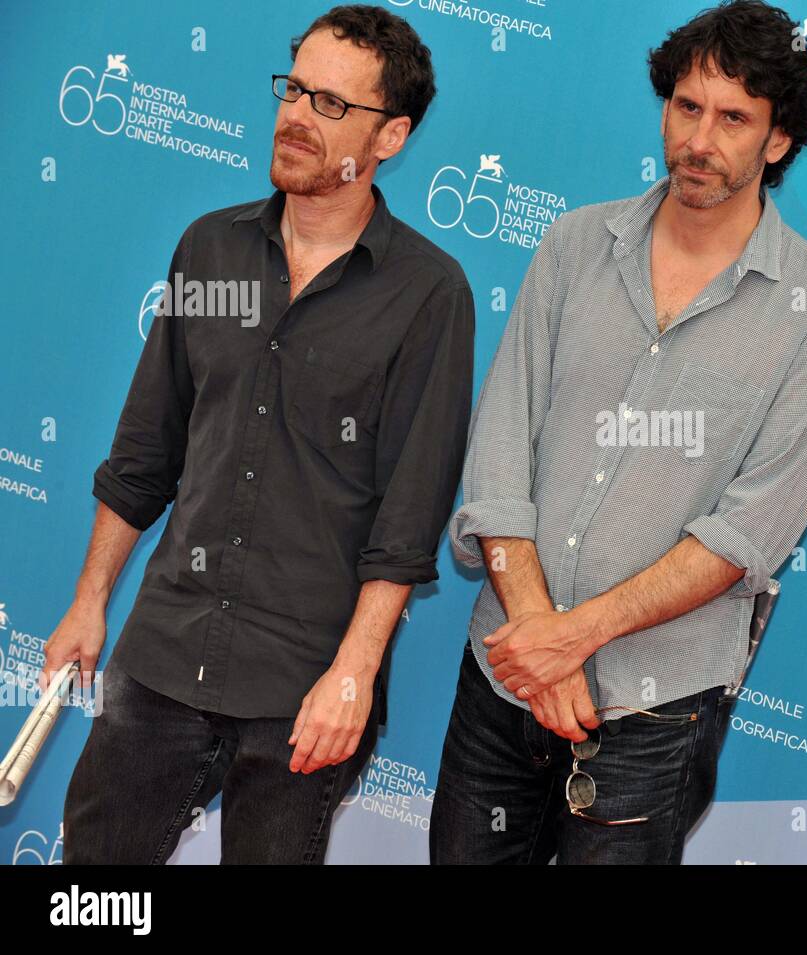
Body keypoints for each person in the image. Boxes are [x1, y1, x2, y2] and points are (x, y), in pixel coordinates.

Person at [431, 0, 807, 864]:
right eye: (687, 106)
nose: (700, 139)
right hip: (505, 672)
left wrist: (576, 634)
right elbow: (499, 457)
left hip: (654, 713)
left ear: (778, 141)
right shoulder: (570, 244)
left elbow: (747, 533)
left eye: (734, 118)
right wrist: (542, 637)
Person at [46, 4, 474, 864]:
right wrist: (89, 599)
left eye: (330, 105)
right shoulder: (210, 251)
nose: (295, 117)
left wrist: (354, 672)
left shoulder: (429, 294)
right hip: (164, 654)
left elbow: (409, 517)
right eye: (294, 90)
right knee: (91, 893)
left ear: (390, 136)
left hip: (305, 685)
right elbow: (144, 454)